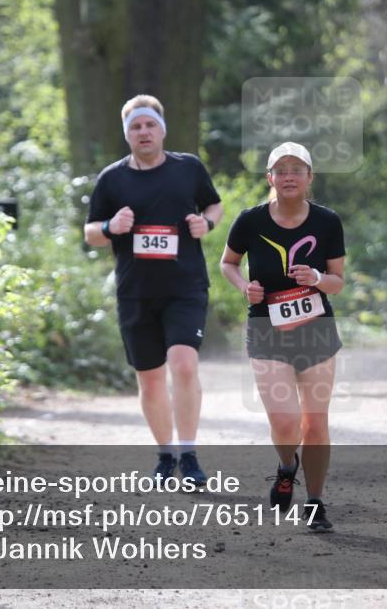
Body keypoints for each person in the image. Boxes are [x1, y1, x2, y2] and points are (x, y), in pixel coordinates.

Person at [84, 94, 223, 486]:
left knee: (184, 364)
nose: (143, 132)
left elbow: (214, 205)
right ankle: (166, 455)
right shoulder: (112, 179)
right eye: (135, 127)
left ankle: (189, 455)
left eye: (149, 125)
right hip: (136, 291)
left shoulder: (188, 168)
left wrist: (207, 224)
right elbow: (90, 233)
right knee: (149, 379)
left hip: (185, 286)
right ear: (126, 133)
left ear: (162, 129)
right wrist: (110, 227)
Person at [220, 142, 345, 533]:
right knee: (286, 421)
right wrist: (244, 287)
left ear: (309, 177)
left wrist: (318, 278)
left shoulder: (327, 221)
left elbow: (338, 281)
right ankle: (287, 466)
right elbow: (227, 263)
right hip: (266, 329)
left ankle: (315, 502)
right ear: (269, 178)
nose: (289, 176)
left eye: (297, 169)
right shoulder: (250, 220)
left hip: (316, 329)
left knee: (316, 424)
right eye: (281, 169)